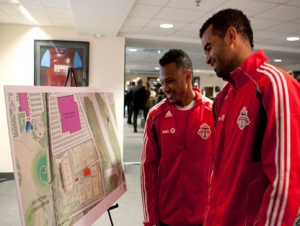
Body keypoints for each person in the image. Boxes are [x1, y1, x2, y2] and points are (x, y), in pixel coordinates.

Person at [199, 8, 300, 226]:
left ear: (231, 36)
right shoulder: (224, 98)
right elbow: (218, 174)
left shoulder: (274, 85)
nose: (207, 58)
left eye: (209, 48)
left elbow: (285, 181)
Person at [140, 49, 214, 226]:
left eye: (171, 81)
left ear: (188, 76)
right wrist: (150, 219)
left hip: (205, 216)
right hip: (168, 217)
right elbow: (148, 170)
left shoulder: (214, 112)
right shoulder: (155, 116)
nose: (165, 88)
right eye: (163, 82)